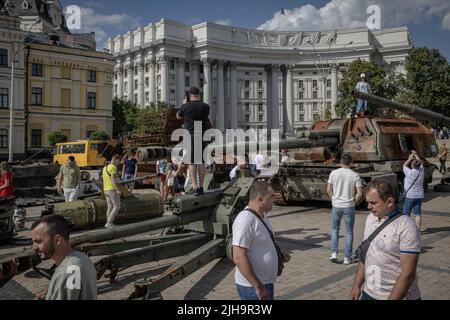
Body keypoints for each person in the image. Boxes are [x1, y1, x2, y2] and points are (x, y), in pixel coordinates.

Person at [349, 180, 421, 300]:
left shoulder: (406, 226)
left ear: (390, 202)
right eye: (368, 202)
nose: (369, 207)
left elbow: (408, 274)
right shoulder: (370, 218)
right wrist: (356, 285)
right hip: (369, 293)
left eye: (373, 203)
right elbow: (365, 254)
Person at [232, 181, 290, 300]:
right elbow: (238, 257)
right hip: (253, 287)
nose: (274, 199)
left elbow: (263, 241)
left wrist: (278, 253)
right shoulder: (246, 221)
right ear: (260, 199)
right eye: (271, 196)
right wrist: (258, 286)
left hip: (264, 282)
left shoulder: (261, 216)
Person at [31, 215, 97, 300]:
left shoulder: (68, 271)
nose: (34, 247)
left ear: (57, 239)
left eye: (38, 241)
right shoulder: (81, 258)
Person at [327, 154, 364, 264]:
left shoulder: (334, 173)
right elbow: (360, 193)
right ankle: (347, 257)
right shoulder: (355, 175)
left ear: (341, 162)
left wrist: (333, 199)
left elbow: (329, 189)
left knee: (335, 229)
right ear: (351, 162)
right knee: (349, 231)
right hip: (349, 206)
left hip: (336, 205)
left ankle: (333, 253)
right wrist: (354, 202)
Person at [176, 86, 211, 195]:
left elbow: (178, 116)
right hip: (202, 135)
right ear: (199, 95)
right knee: (201, 162)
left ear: (190, 95)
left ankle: (195, 186)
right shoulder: (205, 106)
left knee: (191, 162)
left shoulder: (185, 106)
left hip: (189, 135)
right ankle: (201, 187)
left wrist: (184, 104)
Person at [403, 151, 425, 230]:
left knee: (406, 214)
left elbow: (404, 165)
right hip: (419, 196)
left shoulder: (409, 172)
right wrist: (416, 155)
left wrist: (409, 159)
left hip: (409, 196)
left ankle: (407, 229)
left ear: (412, 165)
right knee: (417, 213)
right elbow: (420, 163)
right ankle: (417, 229)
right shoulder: (421, 171)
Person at [103, 155, 121, 228]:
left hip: (105, 189)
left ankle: (109, 222)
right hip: (111, 189)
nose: (118, 163)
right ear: (115, 159)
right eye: (118, 161)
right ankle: (109, 223)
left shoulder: (105, 167)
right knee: (117, 206)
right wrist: (117, 189)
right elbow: (113, 179)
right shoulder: (113, 167)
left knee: (110, 206)